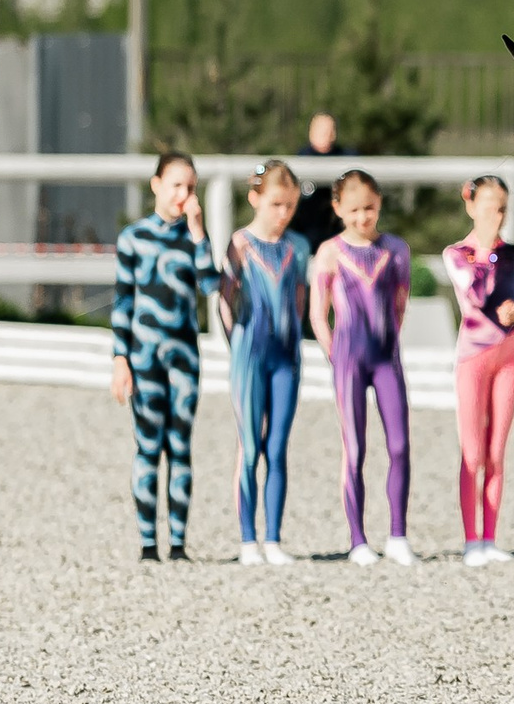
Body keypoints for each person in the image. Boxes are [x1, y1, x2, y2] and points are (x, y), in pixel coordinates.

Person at [110, 151, 221, 562]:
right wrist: (120, 358)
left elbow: (212, 286)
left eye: (190, 187)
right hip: (144, 357)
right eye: (176, 185)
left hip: (184, 359)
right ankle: (146, 543)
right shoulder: (133, 238)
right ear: (156, 185)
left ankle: (177, 544)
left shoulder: (193, 239)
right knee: (147, 447)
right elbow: (122, 303)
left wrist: (198, 232)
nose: (183, 194)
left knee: (180, 447)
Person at [310, 169, 414, 566]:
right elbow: (318, 314)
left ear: (380, 204)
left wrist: (390, 341)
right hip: (348, 359)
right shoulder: (330, 252)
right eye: (353, 210)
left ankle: (398, 535)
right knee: (354, 449)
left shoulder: (396, 250)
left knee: (400, 445)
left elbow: (400, 305)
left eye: (369, 208)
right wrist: (334, 353)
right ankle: (357, 540)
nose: (362, 217)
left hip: (386, 357)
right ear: (338, 208)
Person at [220, 160, 311, 566]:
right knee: (250, 446)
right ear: (255, 198)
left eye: (290, 205)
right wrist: (236, 346)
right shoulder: (239, 243)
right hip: (249, 356)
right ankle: (247, 540)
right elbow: (224, 301)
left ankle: (273, 538)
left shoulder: (299, 247)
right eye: (276, 204)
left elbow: (301, 303)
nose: (283, 213)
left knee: (277, 447)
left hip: (286, 357)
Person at [443, 174, 514, 566]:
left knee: (496, 452)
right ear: (471, 205)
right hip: (473, 357)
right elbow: (476, 295)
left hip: (508, 355)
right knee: (472, 452)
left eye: (502, 207)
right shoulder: (457, 253)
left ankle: (490, 537)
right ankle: (470, 538)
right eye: (490, 204)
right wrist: (489, 252)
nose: (497, 213)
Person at [288, 112, 353, 255]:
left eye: (330, 130)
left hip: (339, 238)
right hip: (307, 239)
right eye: (321, 130)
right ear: (311, 132)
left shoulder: (346, 158)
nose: (327, 134)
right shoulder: (301, 159)